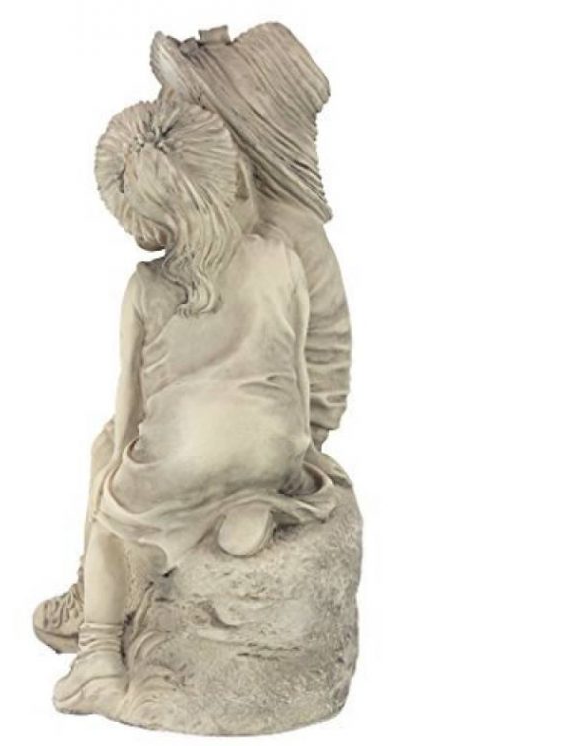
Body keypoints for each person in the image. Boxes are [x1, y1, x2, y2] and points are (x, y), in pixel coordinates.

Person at [34, 21, 353, 656]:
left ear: (242, 127)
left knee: (112, 452)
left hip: (263, 412)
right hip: (262, 414)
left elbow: (324, 350)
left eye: (190, 103)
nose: (174, 115)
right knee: (185, 435)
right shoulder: (259, 222)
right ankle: (242, 503)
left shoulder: (275, 231)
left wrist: (308, 435)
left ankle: (102, 597)